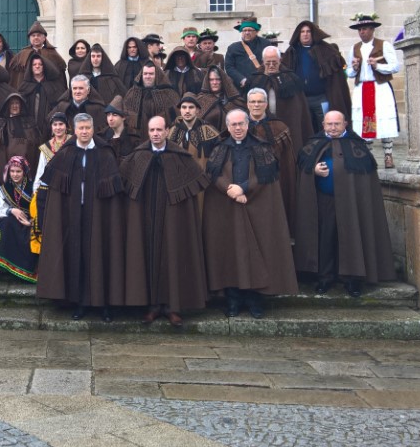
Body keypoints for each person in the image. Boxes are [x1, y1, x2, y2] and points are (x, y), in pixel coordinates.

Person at [34, 113, 132, 322]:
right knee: (77, 256)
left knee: (101, 256)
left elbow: (114, 189)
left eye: (88, 128)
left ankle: (104, 305)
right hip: (73, 213)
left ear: (93, 129)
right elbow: (54, 189)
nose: (85, 132)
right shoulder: (66, 152)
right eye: (81, 129)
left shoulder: (105, 152)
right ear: (75, 130)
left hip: (100, 214)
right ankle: (79, 303)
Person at [202, 110, 298, 319]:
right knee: (230, 254)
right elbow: (212, 173)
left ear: (247, 125)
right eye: (233, 125)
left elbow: (267, 175)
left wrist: (244, 188)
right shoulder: (220, 148)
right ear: (228, 127)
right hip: (227, 208)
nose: (237, 128)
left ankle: (255, 300)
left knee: (257, 253)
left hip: (255, 206)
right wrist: (230, 190)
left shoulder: (261, 147)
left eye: (241, 124)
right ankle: (233, 300)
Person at [293, 111, 397, 297]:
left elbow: (367, 178)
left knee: (351, 238)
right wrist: (313, 170)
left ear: (345, 124)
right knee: (325, 238)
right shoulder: (313, 144)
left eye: (337, 124)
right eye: (329, 124)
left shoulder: (357, 145)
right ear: (323, 125)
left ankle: (352, 279)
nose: (333, 128)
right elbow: (303, 167)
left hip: (352, 203)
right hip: (324, 200)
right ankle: (324, 278)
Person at [120, 116, 211, 326]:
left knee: (172, 257)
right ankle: (151, 306)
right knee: (147, 256)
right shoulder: (138, 156)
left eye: (159, 130)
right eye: (152, 130)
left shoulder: (180, 156)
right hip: (146, 217)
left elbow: (195, 182)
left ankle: (172, 307)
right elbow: (125, 182)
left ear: (167, 130)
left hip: (172, 217)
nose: (155, 134)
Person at [346, 13, 401, 169]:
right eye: (360, 30)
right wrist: (354, 68)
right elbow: (349, 72)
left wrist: (378, 66)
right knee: (364, 121)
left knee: (384, 120)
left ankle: (388, 156)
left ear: (372, 30)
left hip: (379, 86)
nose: (362, 32)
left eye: (364, 29)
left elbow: (395, 66)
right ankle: (368, 156)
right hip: (362, 87)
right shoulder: (354, 48)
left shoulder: (384, 45)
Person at [282, 20, 352, 132]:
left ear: (313, 33)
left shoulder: (327, 50)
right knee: (306, 129)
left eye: (308, 31)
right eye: (302, 32)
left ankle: (327, 148)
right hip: (301, 99)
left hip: (322, 98)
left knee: (326, 127)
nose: (305, 34)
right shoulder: (292, 52)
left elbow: (337, 75)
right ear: (298, 34)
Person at [244, 87, 299, 224]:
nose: (256, 105)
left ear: (266, 104)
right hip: (246, 181)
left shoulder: (280, 127)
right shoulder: (238, 126)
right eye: (253, 102)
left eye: (260, 102)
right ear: (247, 104)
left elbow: (288, 163)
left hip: (274, 182)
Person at [244, 45, 314, 145]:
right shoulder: (255, 80)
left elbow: (299, 107)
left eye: (274, 62)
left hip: (287, 124)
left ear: (280, 60)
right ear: (263, 61)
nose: (271, 65)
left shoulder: (291, 79)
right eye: (268, 62)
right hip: (261, 127)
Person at [0, 155, 38, 283]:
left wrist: (32, 221)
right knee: (7, 223)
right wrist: (12, 210)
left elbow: (40, 209)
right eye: (12, 171)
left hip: (29, 221)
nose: (15, 174)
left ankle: (27, 270)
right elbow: (0, 209)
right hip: (13, 221)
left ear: (24, 172)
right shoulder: (5, 188)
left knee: (30, 234)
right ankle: (12, 266)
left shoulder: (33, 188)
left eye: (18, 171)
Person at [122, 62, 179, 134]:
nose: (148, 76)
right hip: (136, 138)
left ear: (157, 75)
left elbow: (175, 118)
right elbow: (125, 116)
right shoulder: (132, 93)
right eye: (145, 74)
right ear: (141, 75)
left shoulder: (169, 94)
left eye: (151, 74)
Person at [9, 21, 68, 89]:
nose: (36, 37)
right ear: (29, 38)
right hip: (26, 92)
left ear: (44, 38)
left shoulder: (52, 54)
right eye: (33, 36)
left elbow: (60, 78)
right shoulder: (22, 54)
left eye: (39, 35)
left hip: (48, 92)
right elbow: (15, 77)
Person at [18, 53, 67, 134]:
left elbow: (59, 106)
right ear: (31, 67)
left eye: (40, 64)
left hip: (49, 127)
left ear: (44, 66)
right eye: (34, 64)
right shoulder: (25, 85)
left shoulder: (54, 85)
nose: (37, 66)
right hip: (29, 129)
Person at [0, 92, 40, 171]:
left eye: (17, 103)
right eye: (12, 103)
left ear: (21, 105)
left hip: (28, 164)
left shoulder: (29, 123)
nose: (14, 106)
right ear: (8, 106)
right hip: (8, 165)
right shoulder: (1, 124)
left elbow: (35, 145)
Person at [168, 94, 218, 163]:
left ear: (197, 110)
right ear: (180, 110)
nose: (187, 111)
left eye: (191, 107)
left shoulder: (210, 132)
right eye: (184, 107)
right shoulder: (171, 132)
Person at [195, 64, 242, 134]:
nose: (214, 82)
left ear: (222, 80)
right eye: (211, 80)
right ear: (207, 81)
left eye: (218, 79)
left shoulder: (234, 100)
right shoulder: (201, 100)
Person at [224, 19, 269, 89]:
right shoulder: (233, 48)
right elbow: (229, 67)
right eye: (244, 30)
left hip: (262, 85)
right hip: (241, 87)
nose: (247, 33)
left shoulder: (265, 44)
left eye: (250, 30)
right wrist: (241, 79)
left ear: (256, 31)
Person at [34, 112, 71, 187]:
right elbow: (41, 171)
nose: (58, 127)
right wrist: (36, 190)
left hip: (70, 185)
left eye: (61, 124)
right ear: (51, 127)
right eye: (55, 124)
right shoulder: (47, 147)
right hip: (52, 187)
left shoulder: (73, 142)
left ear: (66, 126)